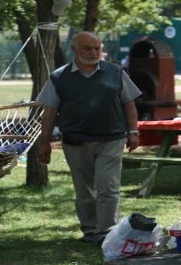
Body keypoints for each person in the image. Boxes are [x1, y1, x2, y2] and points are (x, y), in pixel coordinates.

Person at [36, 31, 142, 245]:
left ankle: (106, 232)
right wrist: (44, 142)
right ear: (74, 49)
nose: (94, 52)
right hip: (76, 141)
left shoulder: (116, 72)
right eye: (88, 48)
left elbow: (129, 103)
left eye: (97, 48)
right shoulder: (59, 77)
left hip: (111, 139)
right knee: (84, 191)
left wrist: (133, 131)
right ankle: (90, 230)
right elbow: (49, 112)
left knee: (108, 187)